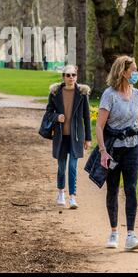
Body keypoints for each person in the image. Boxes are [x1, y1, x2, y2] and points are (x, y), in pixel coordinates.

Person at [95, 55, 138, 251]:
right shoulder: (109, 95)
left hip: (133, 148)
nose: (136, 73)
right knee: (112, 189)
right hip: (113, 150)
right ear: (123, 72)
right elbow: (100, 126)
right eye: (133, 70)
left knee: (131, 189)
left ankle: (131, 235)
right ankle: (114, 231)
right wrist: (103, 151)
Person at [44, 64, 92, 209]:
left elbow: (87, 117)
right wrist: (57, 116)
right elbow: (48, 113)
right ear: (63, 77)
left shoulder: (82, 94)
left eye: (73, 75)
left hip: (76, 137)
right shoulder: (55, 93)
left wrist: (88, 138)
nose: (71, 78)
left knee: (72, 167)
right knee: (61, 167)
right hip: (60, 136)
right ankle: (61, 193)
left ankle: (72, 197)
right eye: (68, 75)